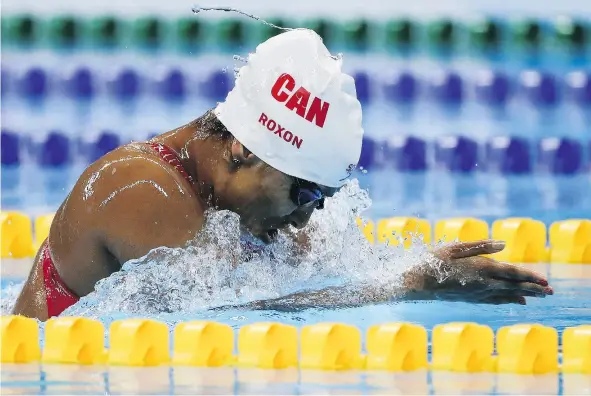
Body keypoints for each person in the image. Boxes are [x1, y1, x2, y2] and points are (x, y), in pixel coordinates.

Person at [12, 29, 553, 321]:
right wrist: (407, 287)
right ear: (245, 146)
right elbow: (232, 313)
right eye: (302, 192)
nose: (304, 218)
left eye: (320, 198)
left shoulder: (249, 206)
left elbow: (325, 276)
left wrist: (417, 266)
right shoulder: (139, 188)